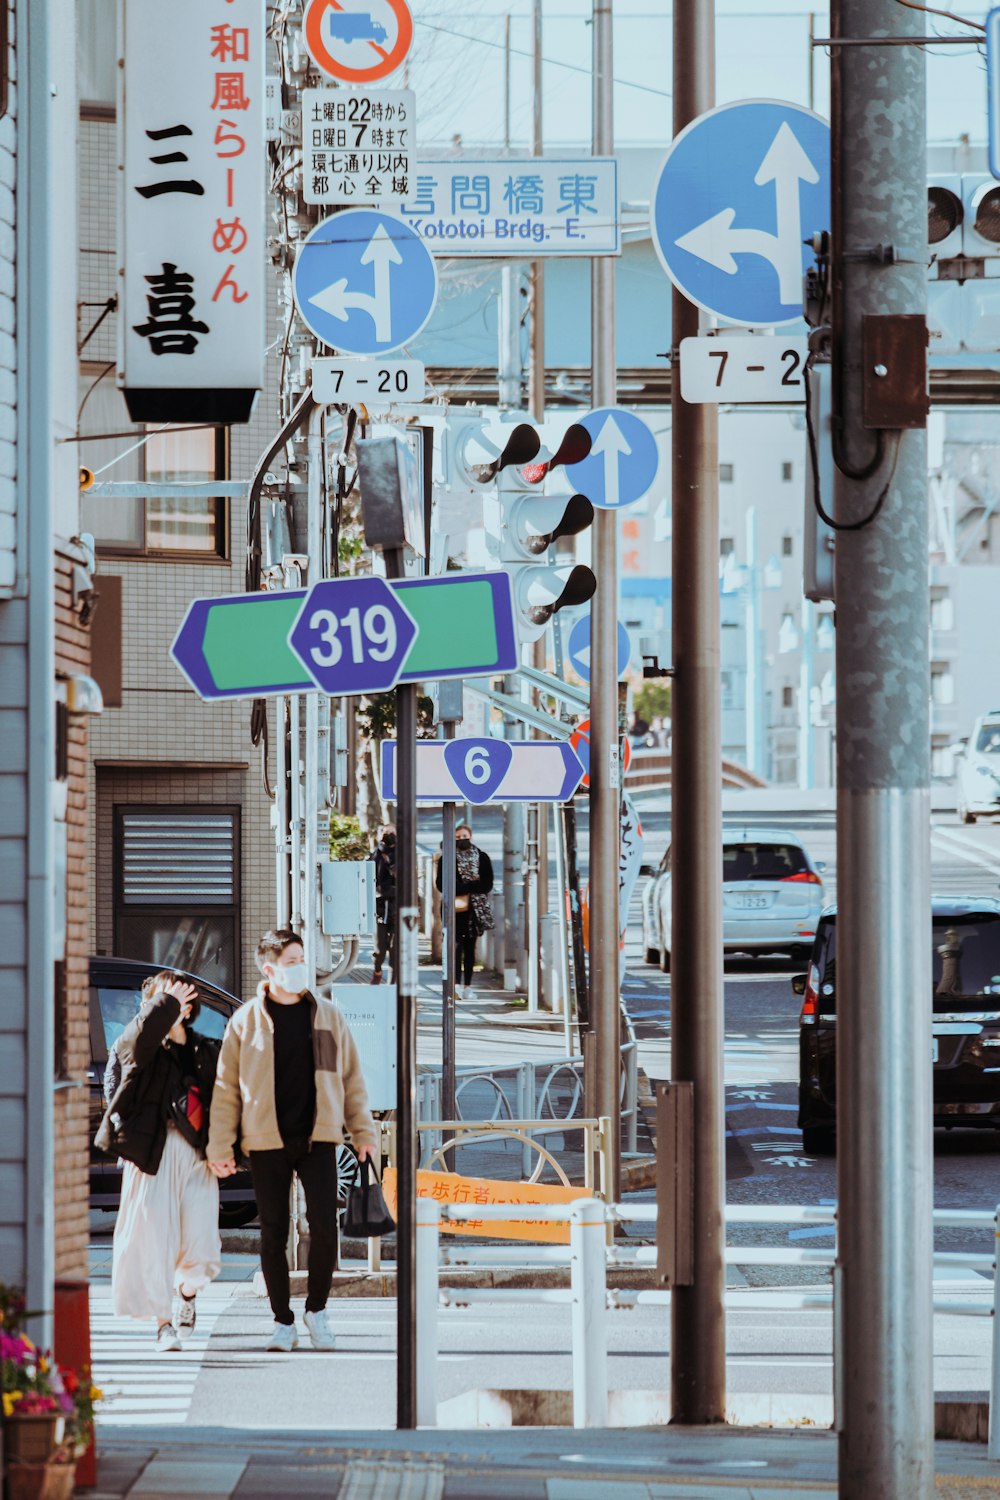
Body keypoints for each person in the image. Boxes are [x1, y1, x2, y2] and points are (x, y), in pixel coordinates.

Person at [206, 929, 377, 1353]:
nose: (302, 968)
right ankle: (282, 1321)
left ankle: (317, 1310)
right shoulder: (246, 1020)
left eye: (303, 959)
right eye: (293, 961)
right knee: (273, 1231)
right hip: (266, 1141)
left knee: (324, 1225)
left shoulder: (327, 1014)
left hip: (319, 1137)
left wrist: (363, 1133)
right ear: (269, 969)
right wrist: (220, 1146)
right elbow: (226, 1088)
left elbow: (351, 1078)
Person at [95, 972, 222, 1352]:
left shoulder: (204, 1050)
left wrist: (227, 1151)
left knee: (202, 1247)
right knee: (153, 1242)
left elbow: (226, 1104)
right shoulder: (138, 1044)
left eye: (180, 996)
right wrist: (164, 1005)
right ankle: (163, 1323)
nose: (174, 1002)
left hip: (195, 1156)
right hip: (150, 1155)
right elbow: (136, 1045)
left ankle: (186, 1293)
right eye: (164, 998)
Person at [435, 823, 495, 1001]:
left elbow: (487, 884)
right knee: (455, 948)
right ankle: (454, 986)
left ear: (471, 837)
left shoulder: (482, 857)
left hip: (475, 911)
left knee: (470, 949)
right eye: (458, 837)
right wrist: (469, 887)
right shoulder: (446, 859)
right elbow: (442, 884)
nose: (462, 840)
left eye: (464, 836)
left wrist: (464, 887)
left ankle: (467, 986)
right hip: (454, 910)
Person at [371, 822, 397, 984]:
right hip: (379, 909)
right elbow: (370, 879)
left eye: (391, 833)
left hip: (397, 909)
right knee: (380, 950)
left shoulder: (402, 855)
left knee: (395, 950)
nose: (388, 836)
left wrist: (391, 861)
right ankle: (377, 970)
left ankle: (392, 984)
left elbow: (402, 878)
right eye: (385, 833)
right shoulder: (375, 855)